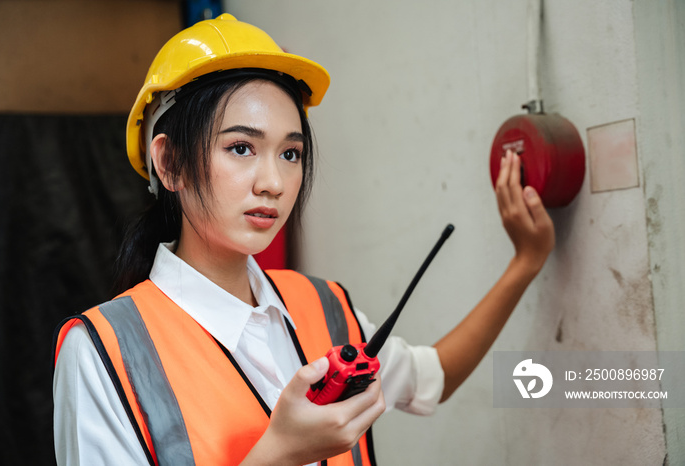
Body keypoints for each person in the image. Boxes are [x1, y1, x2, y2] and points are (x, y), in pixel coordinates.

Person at [52, 13, 554, 466]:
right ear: (170, 163)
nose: (272, 181)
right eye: (241, 147)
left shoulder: (324, 307)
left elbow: (432, 376)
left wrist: (526, 263)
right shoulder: (103, 352)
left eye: (290, 154)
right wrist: (279, 454)